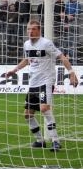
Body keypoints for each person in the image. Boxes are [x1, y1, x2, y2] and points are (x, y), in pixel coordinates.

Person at [5, 20, 79, 152]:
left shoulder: (46, 43)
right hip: (33, 83)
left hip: (46, 81)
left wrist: (72, 73)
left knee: (44, 108)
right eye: (28, 29)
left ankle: (56, 141)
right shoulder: (27, 44)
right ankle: (40, 141)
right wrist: (14, 70)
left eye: (33, 29)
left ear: (39, 31)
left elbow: (62, 57)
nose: (30, 32)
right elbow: (27, 60)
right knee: (28, 114)